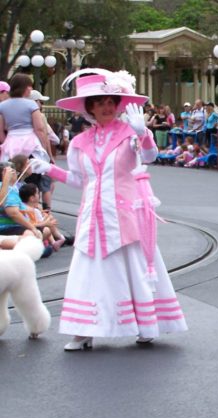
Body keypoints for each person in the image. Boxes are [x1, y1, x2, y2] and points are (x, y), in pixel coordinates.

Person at [29, 70, 188, 351]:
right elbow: (79, 180)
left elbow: (149, 157)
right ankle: (84, 331)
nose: (106, 106)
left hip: (124, 214)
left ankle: (144, 325)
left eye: (110, 101)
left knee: (133, 270)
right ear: (89, 107)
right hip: (92, 216)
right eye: (99, 102)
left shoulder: (130, 133)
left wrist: (143, 134)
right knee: (89, 273)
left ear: (118, 104)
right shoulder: (79, 142)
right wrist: (49, 169)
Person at [0, 74, 54, 166]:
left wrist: (6, 143)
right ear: (25, 88)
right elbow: (39, 129)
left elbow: (0, 131)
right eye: (30, 86)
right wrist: (44, 147)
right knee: (33, 170)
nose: (31, 89)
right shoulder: (31, 105)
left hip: (11, 143)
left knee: (11, 170)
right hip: (30, 143)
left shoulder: (2, 106)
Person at [19, 182, 66, 251]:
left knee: (48, 223)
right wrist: (46, 220)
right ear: (32, 198)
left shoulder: (22, 208)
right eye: (37, 193)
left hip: (29, 230)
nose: (39, 195)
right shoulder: (31, 210)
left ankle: (53, 242)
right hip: (30, 232)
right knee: (47, 227)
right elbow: (38, 223)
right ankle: (57, 240)